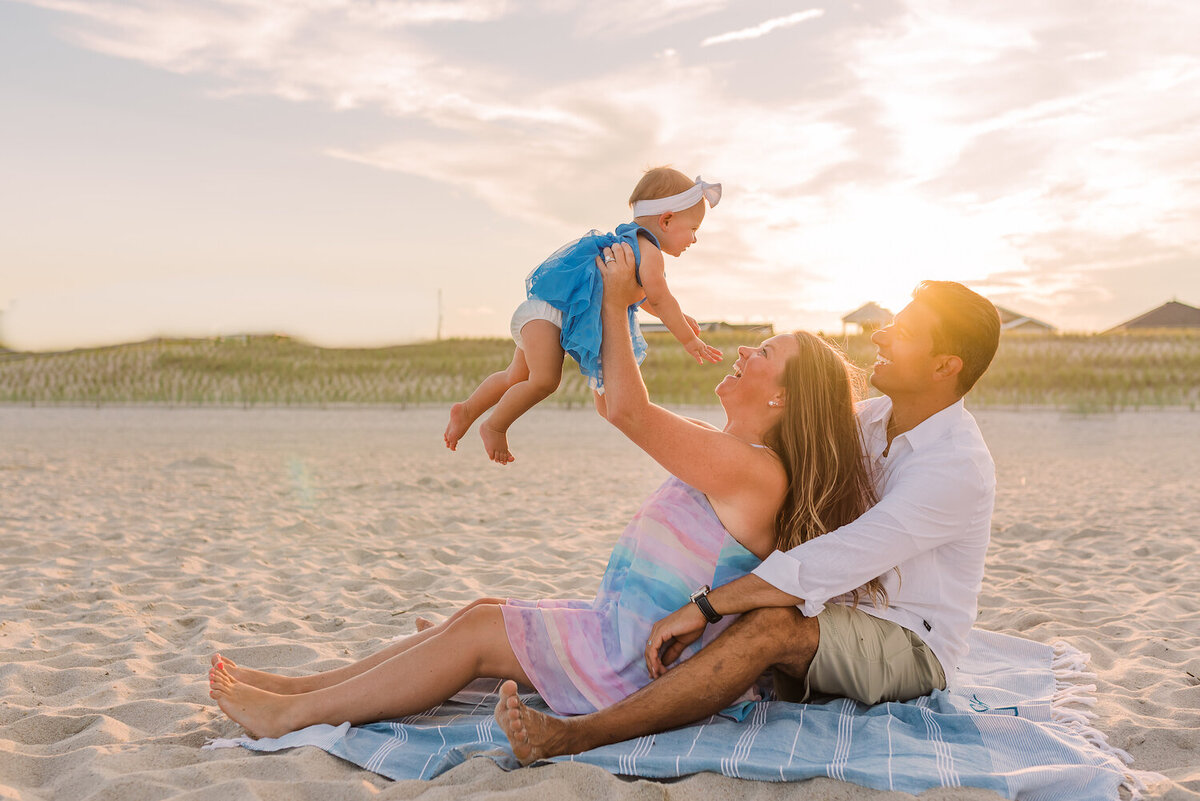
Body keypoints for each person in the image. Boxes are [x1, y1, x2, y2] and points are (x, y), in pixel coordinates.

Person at [207, 248, 880, 739]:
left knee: (475, 629)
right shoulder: (730, 453)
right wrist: (590, 318)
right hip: (617, 630)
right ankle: (299, 688)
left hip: (635, 662)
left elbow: (626, 411)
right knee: (483, 609)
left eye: (762, 352)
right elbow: (611, 396)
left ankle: (292, 715)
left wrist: (619, 304)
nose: (743, 353)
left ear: (783, 394)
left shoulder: (757, 470)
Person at [494, 260, 1002, 765]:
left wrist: (708, 604)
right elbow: (792, 428)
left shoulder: (956, 468)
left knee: (770, 626)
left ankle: (578, 736)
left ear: (945, 366)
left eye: (905, 331)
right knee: (718, 620)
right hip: (831, 609)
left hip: (909, 641)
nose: (881, 336)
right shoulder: (869, 422)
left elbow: (834, 558)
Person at [444, 166, 724, 466]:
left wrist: (679, 317)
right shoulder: (648, 251)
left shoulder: (631, 243)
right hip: (552, 314)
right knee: (544, 381)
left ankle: (468, 409)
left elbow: (641, 298)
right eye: (693, 229)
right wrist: (688, 339)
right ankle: (495, 425)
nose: (694, 240)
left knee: (516, 376)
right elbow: (659, 297)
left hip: (546, 311)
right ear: (666, 220)